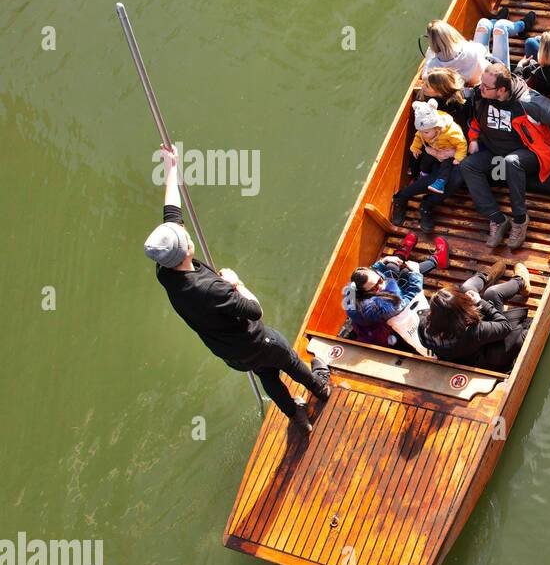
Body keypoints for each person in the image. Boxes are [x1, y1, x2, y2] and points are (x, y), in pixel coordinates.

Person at [145, 145, 330, 432]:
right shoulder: (211, 289)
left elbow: (172, 211)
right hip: (256, 341)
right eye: (184, 234)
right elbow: (255, 311)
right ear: (184, 251)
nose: (184, 228)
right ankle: (321, 387)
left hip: (232, 354)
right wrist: (236, 281)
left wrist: (171, 169)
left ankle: (296, 416)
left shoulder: (164, 269)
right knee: (289, 360)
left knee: (267, 375)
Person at [462, 61, 550, 250]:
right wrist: (473, 139)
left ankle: (520, 220)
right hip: (494, 152)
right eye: (481, 83)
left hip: (527, 154)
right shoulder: (481, 96)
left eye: (487, 87)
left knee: (512, 162)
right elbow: (474, 120)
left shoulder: (528, 103)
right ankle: (497, 219)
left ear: (502, 90)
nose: (481, 88)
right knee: (468, 166)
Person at [419, 261, 533, 371]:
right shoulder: (472, 332)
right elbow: (504, 326)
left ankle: (486, 276)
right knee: (492, 293)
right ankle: (520, 281)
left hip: (466, 348)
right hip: (485, 348)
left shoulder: (424, 327)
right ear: (461, 313)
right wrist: (480, 302)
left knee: (466, 288)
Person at [391, 99, 468, 232]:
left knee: (455, 178)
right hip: (433, 155)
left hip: (454, 157)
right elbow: (419, 137)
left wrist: (455, 154)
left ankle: (427, 204)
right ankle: (402, 196)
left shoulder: (450, 127)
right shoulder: (424, 125)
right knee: (437, 176)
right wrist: (429, 150)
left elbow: (462, 143)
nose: (422, 134)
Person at [342, 256, 428, 349]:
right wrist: (416, 273)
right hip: (391, 337)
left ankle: (433, 260)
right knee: (407, 273)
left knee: (392, 266)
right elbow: (413, 294)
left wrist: (383, 261)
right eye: (375, 287)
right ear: (366, 293)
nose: (382, 285)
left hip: (366, 330)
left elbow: (370, 273)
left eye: (380, 280)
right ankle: (436, 260)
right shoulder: (382, 308)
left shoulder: (353, 294)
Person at [423, 20, 492, 85]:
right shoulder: (468, 48)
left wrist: (429, 55)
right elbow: (482, 49)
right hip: (487, 73)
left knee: (484, 26)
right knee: (484, 23)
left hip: (473, 83)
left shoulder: (435, 65)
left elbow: (425, 77)